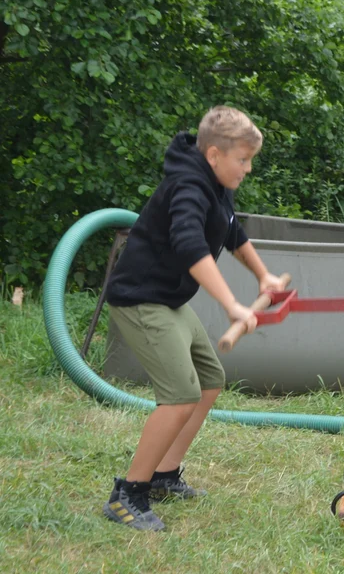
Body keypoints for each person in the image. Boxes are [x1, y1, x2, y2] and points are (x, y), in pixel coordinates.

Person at [102, 106, 286, 531]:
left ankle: (165, 474)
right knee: (181, 394)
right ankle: (128, 493)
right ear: (214, 155)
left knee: (208, 380)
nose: (249, 168)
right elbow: (189, 247)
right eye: (243, 159)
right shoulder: (187, 186)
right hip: (141, 300)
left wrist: (263, 276)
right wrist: (232, 306)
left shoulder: (217, 185)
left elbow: (232, 231)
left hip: (168, 300)